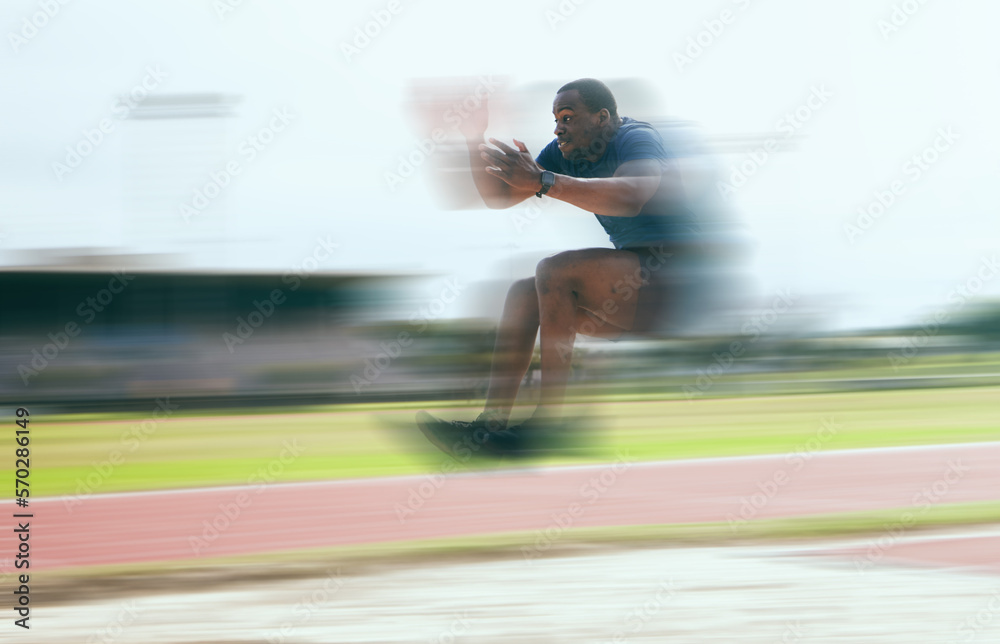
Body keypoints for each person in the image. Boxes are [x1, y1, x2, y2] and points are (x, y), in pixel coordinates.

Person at [417, 78, 708, 460]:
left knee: (555, 271)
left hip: (680, 284)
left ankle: (547, 423)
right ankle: (491, 425)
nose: (558, 128)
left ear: (602, 118)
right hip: (633, 293)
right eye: (555, 119)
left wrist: (544, 181)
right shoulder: (563, 152)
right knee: (524, 294)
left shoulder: (636, 137)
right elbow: (500, 196)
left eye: (567, 117)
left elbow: (632, 196)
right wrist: (474, 137)